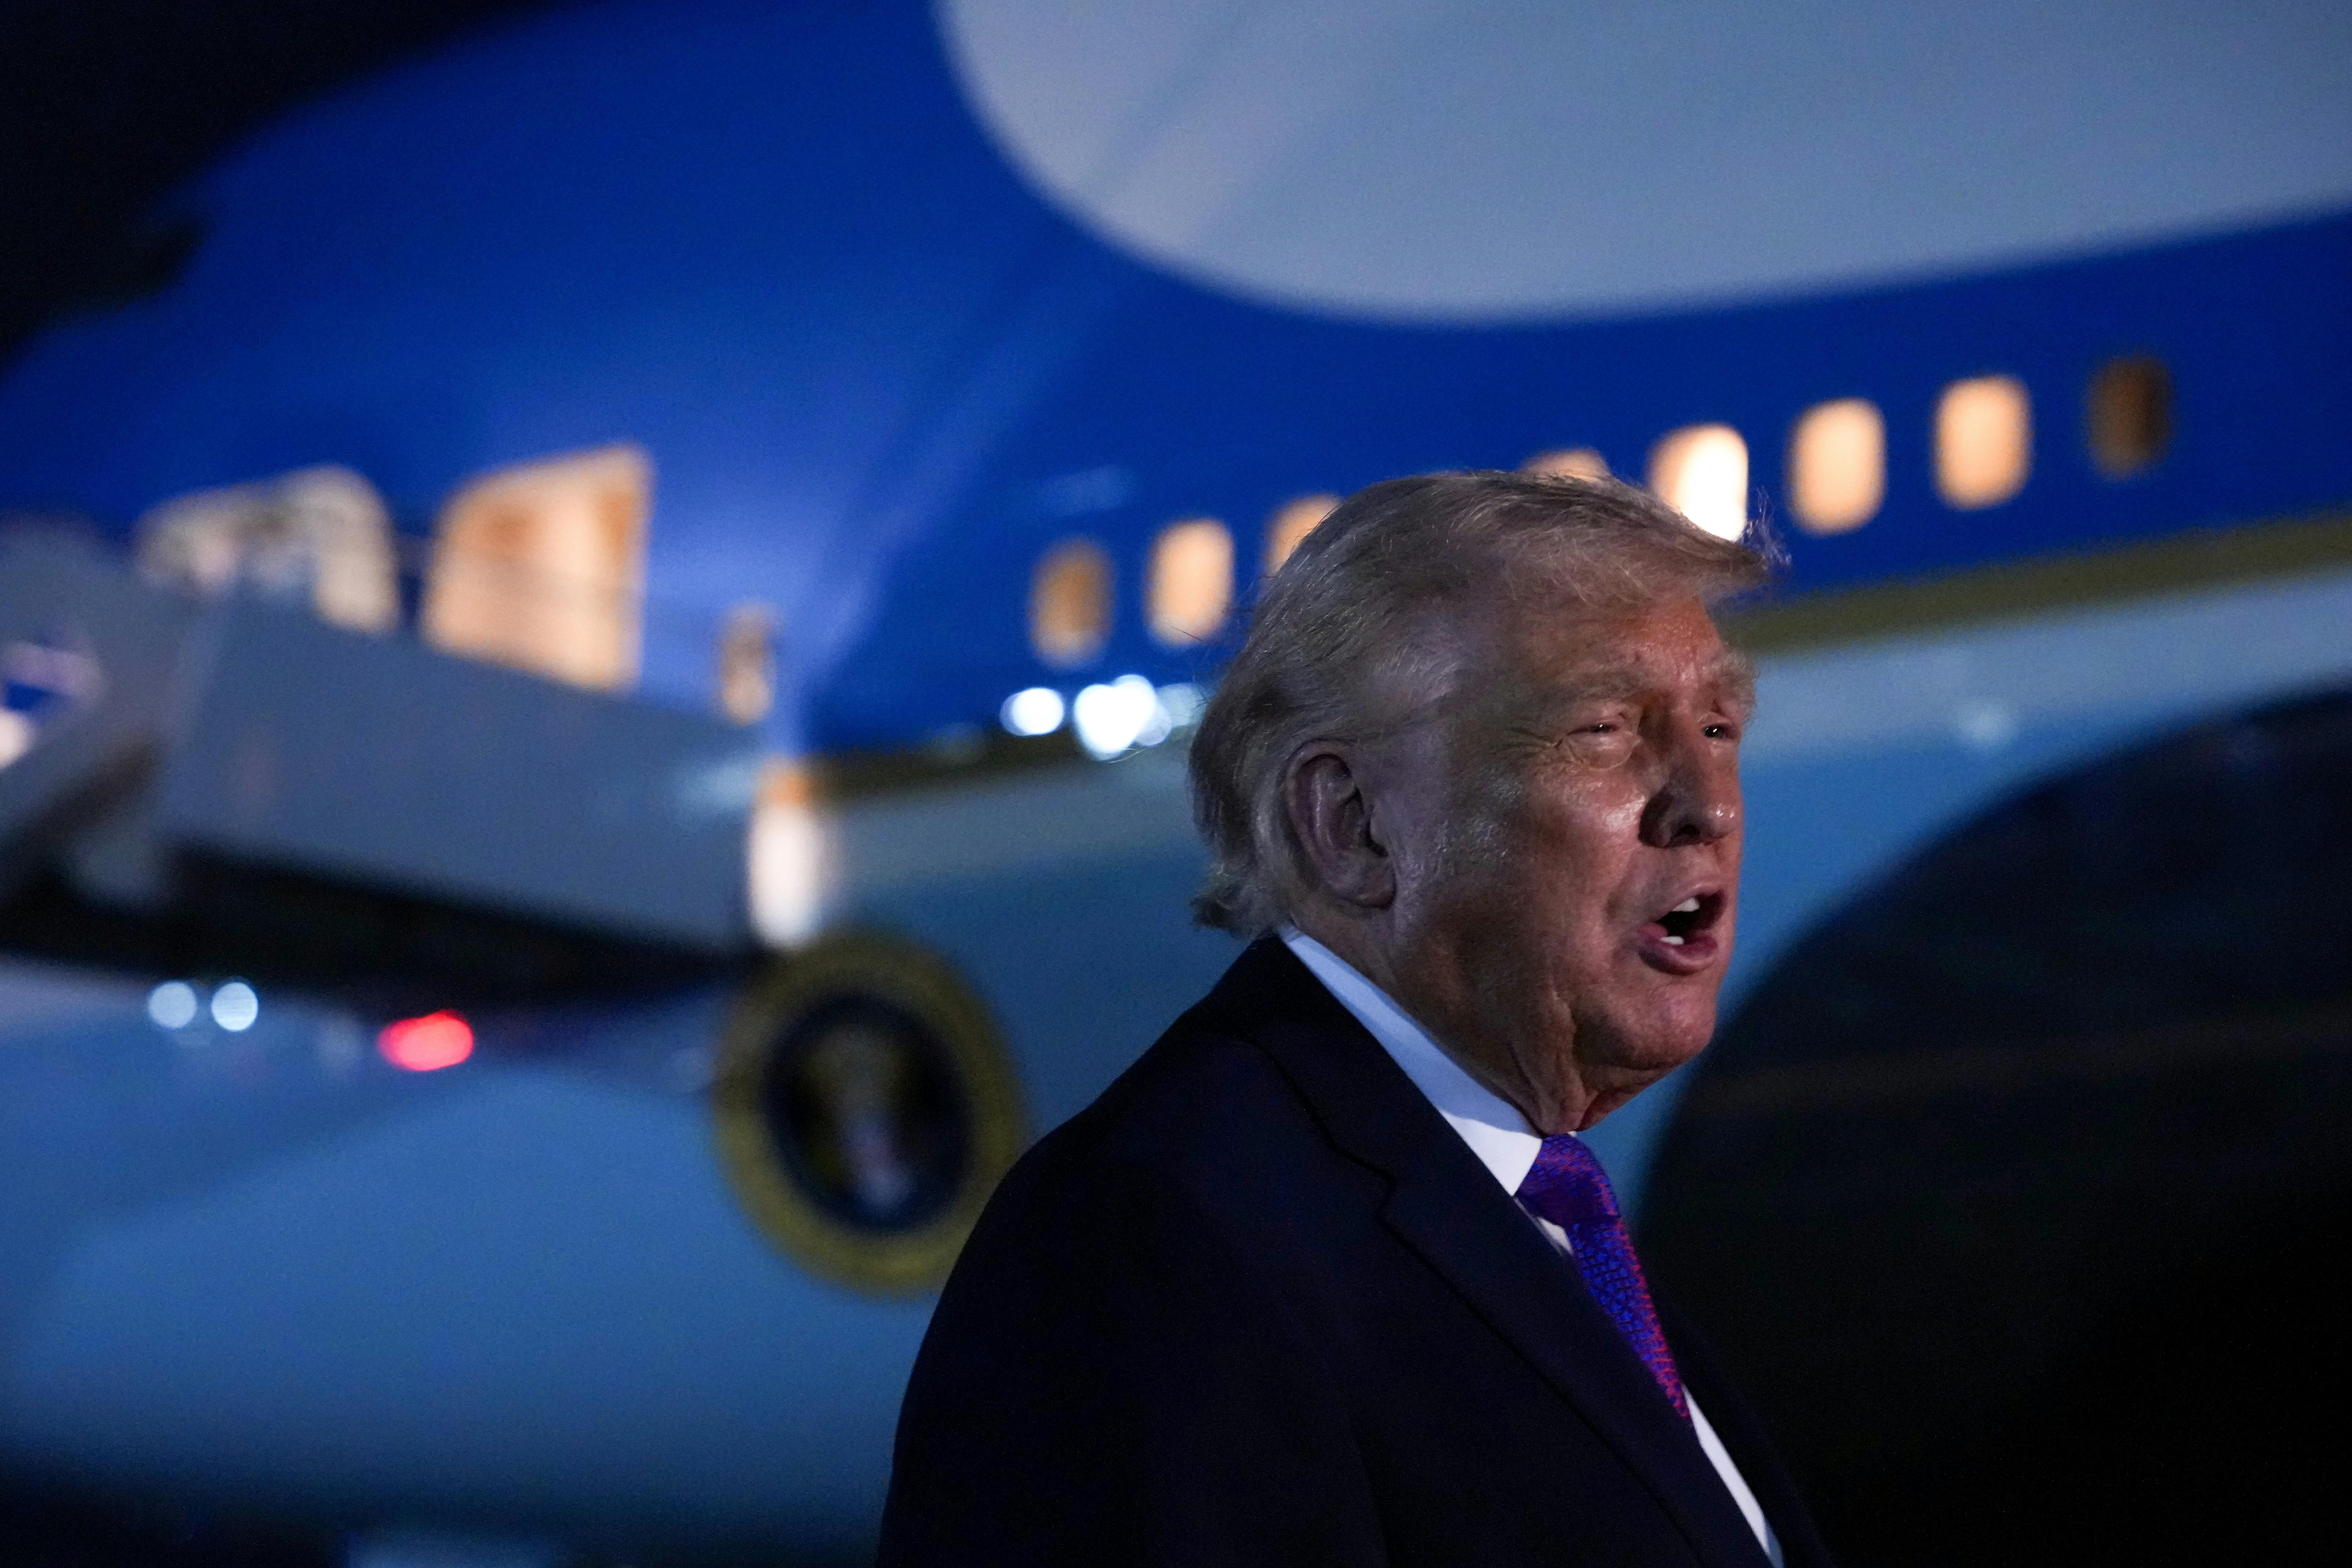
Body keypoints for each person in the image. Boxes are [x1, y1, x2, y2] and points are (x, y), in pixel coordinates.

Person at [879, 471, 1832, 1567]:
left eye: (1719, 725)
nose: (1708, 802)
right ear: (1352, 826)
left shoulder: (1544, 1215)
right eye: (1607, 728)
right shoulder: (1154, 1233)